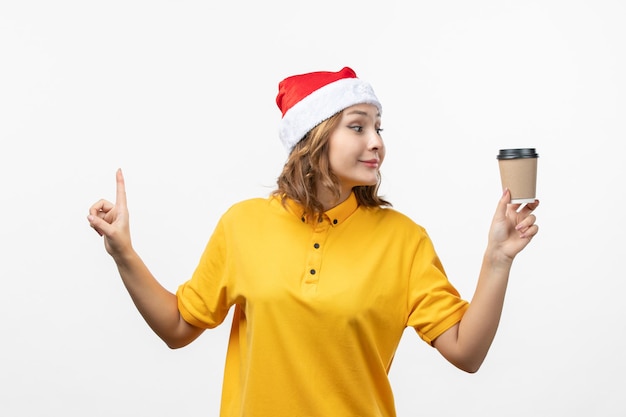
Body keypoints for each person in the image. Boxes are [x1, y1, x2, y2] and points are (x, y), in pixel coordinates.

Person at [87, 66, 539, 417]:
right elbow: (177, 327)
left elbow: (466, 352)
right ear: (313, 138)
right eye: (358, 127)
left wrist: (498, 258)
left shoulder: (403, 240)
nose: (377, 142)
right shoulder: (242, 225)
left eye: (379, 128)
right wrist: (124, 252)